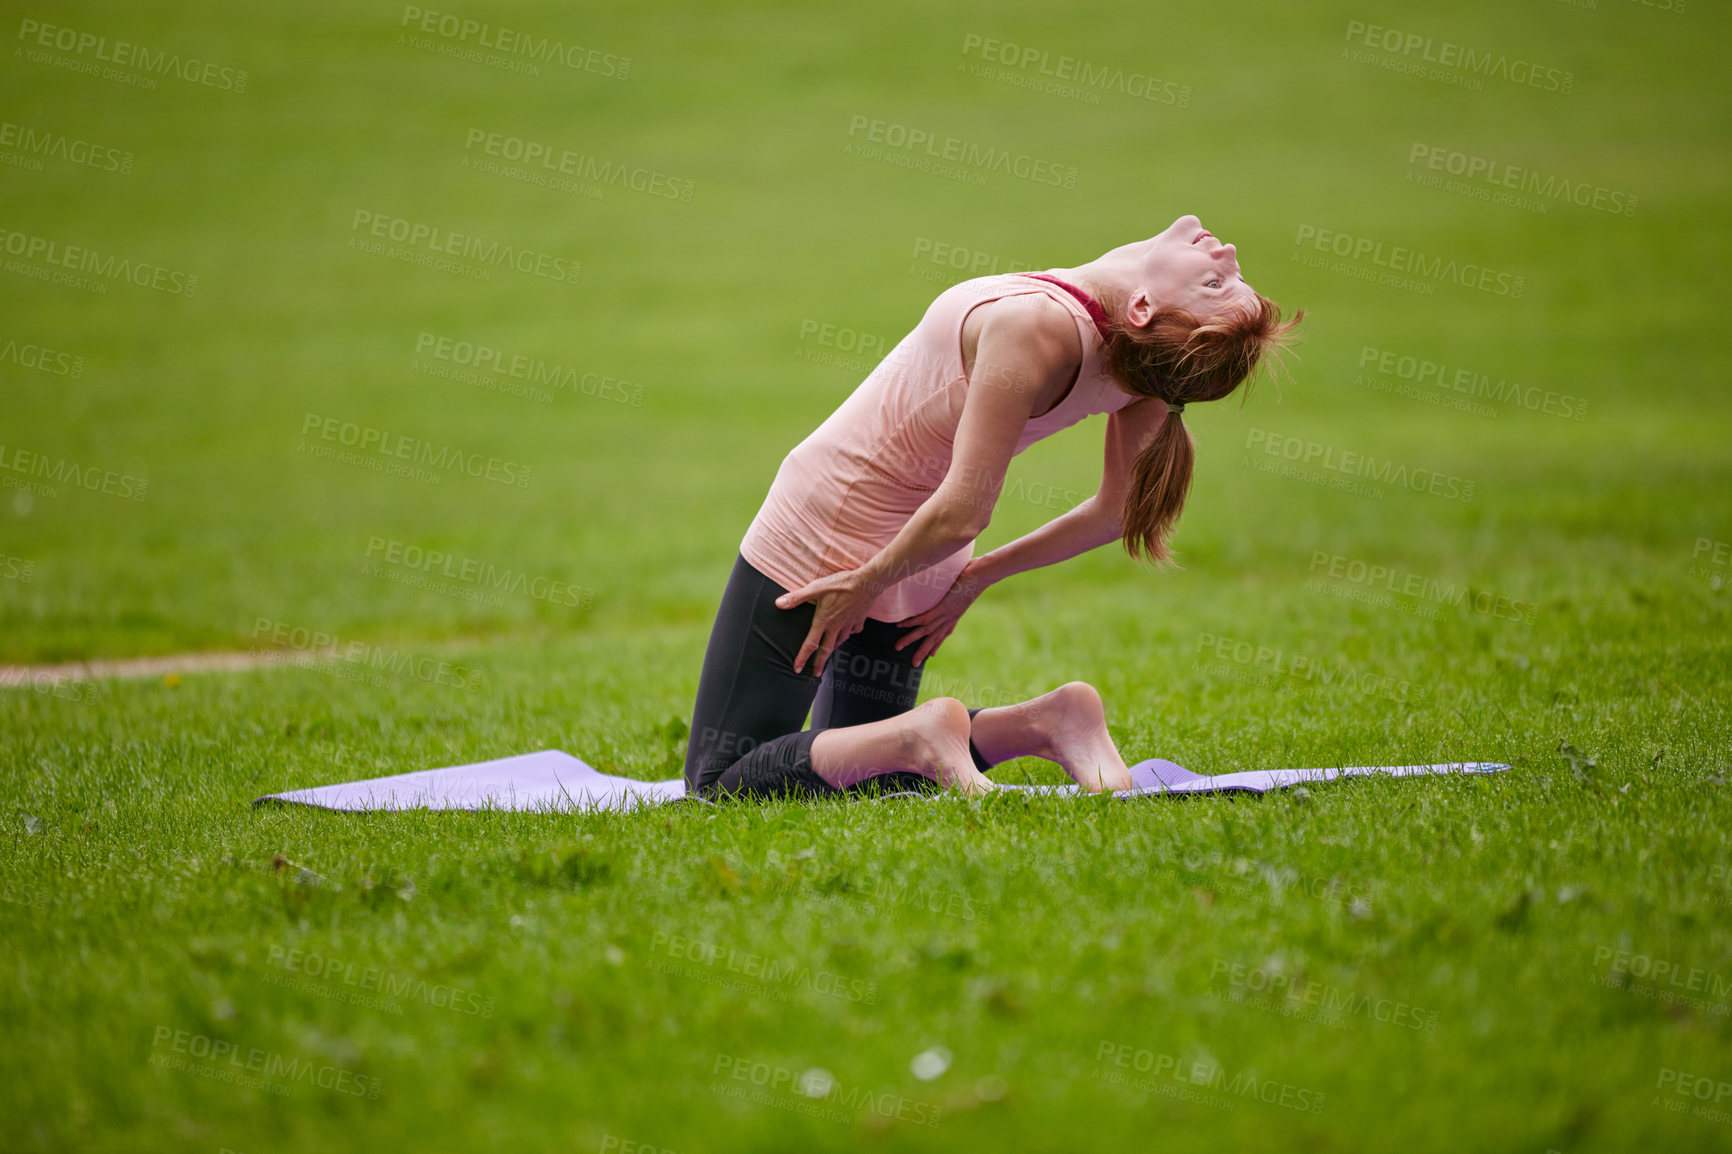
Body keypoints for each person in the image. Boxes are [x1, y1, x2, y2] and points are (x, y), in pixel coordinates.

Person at [683, 213, 1301, 801]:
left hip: (831, 534)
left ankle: (926, 733)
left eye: (1217, 282)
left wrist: (866, 584)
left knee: (719, 780)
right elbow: (1119, 512)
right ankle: (1044, 724)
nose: (1228, 255)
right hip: (929, 556)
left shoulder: (1034, 326)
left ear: (1145, 308)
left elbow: (964, 511)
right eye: (1229, 280)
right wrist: (971, 576)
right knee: (869, 773)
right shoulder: (1142, 360)